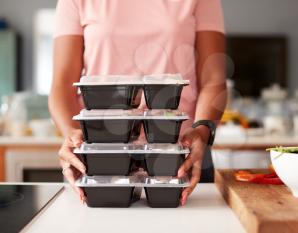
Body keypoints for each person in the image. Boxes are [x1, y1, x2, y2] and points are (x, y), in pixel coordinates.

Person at [49, 0, 227, 205]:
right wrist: (72, 135)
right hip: (102, 153)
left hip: (180, 153)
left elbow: (214, 80)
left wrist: (202, 131)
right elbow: (61, 85)